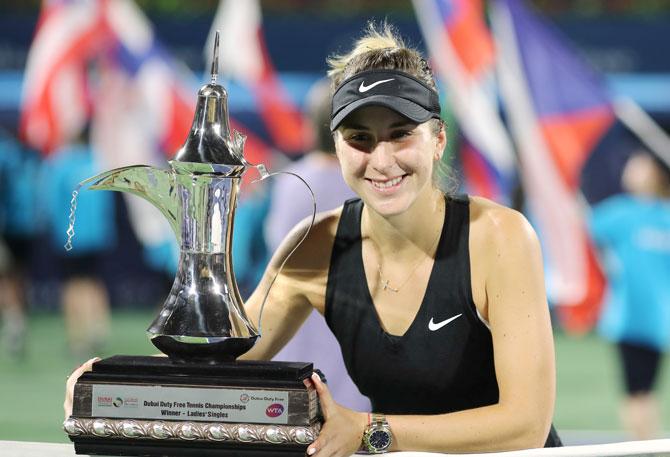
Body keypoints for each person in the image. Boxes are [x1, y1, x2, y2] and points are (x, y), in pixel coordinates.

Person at [66, 23, 560, 454]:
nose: (381, 160)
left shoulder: (499, 237)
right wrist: (116, 382)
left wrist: (370, 431)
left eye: (401, 133)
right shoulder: (315, 247)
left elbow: (525, 425)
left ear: (438, 139)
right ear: (337, 147)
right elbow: (228, 361)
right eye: (360, 139)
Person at [266, 78, 367, 412]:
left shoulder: (292, 181)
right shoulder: (367, 182)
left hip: (294, 323)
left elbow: (276, 243)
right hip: (353, 323)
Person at [590, 149, 670, 440]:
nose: (632, 172)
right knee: (637, 390)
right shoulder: (620, 212)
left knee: (648, 389)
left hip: (659, 319)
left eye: (640, 167)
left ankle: (648, 443)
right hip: (628, 317)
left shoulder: (665, 215)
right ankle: (646, 444)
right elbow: (587, 227)